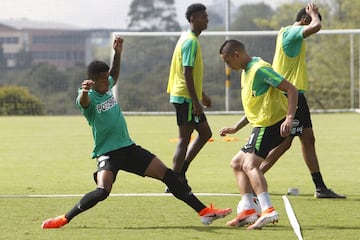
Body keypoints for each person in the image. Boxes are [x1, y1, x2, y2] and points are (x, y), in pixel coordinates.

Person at [41, 36, 232, 229]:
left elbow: (113, 74)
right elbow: (83, 103)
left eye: (107, 80)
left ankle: (204, 212)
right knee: (102, 191)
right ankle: (64, 218)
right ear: (92, 81)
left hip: (129, 149)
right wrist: (83, 91)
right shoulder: (88, 97)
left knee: (168, 175)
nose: (107, 83)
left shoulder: (106, 87)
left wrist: (117, 53)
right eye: (102, 81)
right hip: (108, 152)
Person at [261, 3, 346, 198]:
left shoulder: (285, 31)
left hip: (296, 95)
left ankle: (320, 187)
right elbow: (316, 26)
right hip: (290, 95)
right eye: (310, 22)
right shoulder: (293, 32)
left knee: (307, 139)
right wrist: (315, 14)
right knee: (285, 142)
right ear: (305, 20)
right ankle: (255, 174)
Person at [218, 39, 298, 229]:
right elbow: (254, 106)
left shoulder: (260, 69)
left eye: (228, 62)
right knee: (237, 163)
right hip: (261, 124)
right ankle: (247, 210)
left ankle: (268, 210)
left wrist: (289, 118)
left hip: (272, 124)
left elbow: (291, 89)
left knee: (249, 164)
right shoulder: (247, 72)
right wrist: (236, 128)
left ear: (237, 55)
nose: (227, 66)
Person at [166, 3, 212, 192]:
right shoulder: (190, 41)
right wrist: (196, 102)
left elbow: (190, 75)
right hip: (185, 99)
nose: (206, 19)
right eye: (202, 16)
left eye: (206, 16)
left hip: (187, 97)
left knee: (205, 134)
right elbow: (187, 73)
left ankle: (180, 174)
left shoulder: (187, 38)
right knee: (184, 139)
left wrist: (202, 96)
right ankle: (173, 181)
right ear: (192, 19)